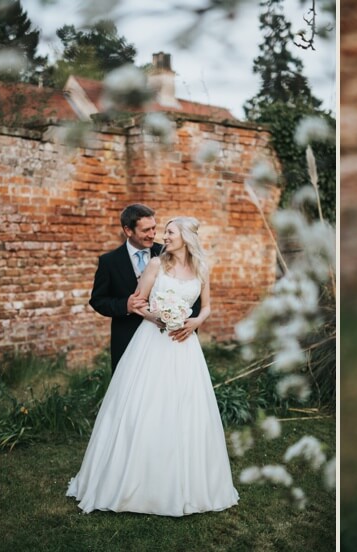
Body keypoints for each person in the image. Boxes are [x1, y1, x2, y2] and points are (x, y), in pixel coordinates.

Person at [68, 217, 238, 516]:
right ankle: (133, 480)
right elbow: (139, 302)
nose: (163, 237)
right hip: (151, 343)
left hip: (185, 345)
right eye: (164, 232)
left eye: (169, 232)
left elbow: (207, 305)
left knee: (184, 407)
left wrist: (196, 321)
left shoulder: (201, 268)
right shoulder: (157, 265)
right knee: (143, 406)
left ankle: (185, 482)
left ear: (185, 236)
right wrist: (157, 317)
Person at [89, 204, 200, 371]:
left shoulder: (167, 252)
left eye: (154, 228)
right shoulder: (109, 262)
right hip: (127, 335)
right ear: (128, 231)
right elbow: (97, 300)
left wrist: (189, 325)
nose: (153, 234)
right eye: (146, 230)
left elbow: (190, 291)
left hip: (170, 339)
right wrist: (125, 305)